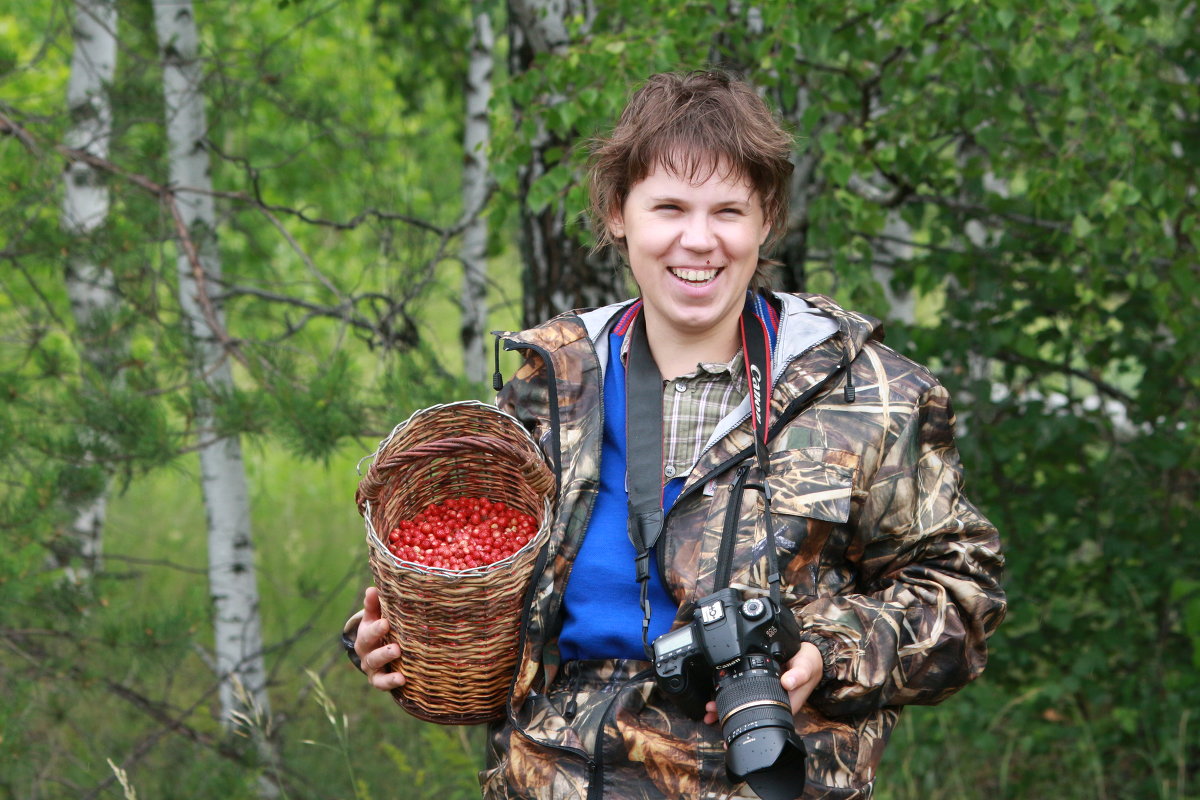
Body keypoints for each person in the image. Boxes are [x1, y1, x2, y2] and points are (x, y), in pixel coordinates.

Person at [344, 70, 1006, 799]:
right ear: (616, 212)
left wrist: (825, 651)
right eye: (668, 207)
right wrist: (402, 643)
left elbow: (961, 594)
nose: (699, 240)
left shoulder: (864, 393)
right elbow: (495, 609)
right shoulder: (551, 388)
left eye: (728, 209)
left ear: (767, 219)